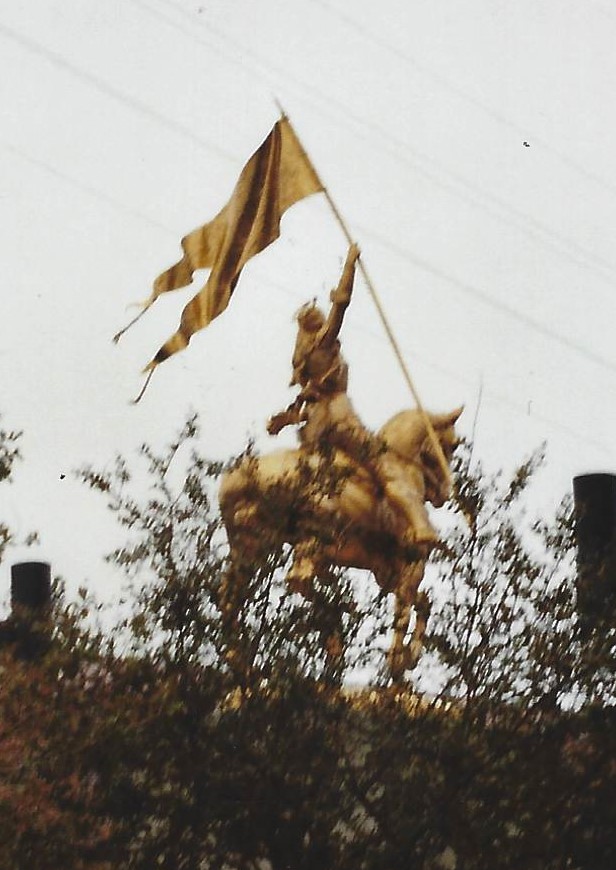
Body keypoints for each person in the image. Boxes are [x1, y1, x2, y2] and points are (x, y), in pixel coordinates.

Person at [267, 244, 437, 561]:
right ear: (311, 324)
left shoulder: (304, 361)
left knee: (331, 480)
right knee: (387, 467)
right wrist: (349, 265)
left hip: (314, 428)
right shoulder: (323, 344)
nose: (319, 310)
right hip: (340, 421)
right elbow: (341, 307)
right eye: (314, 312)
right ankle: (419, 524)